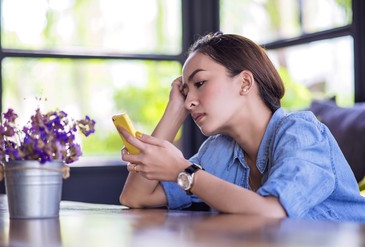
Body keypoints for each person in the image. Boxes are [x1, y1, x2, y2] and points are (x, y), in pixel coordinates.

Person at [118, 32, 365, 222]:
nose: (190, 100)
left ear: (245, 82)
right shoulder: (218, 151)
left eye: (200, 83)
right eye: (185, 91)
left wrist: (184, 171)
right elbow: (135, 197)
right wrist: (174, 111)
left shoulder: (301, 132)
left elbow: (272, 212)